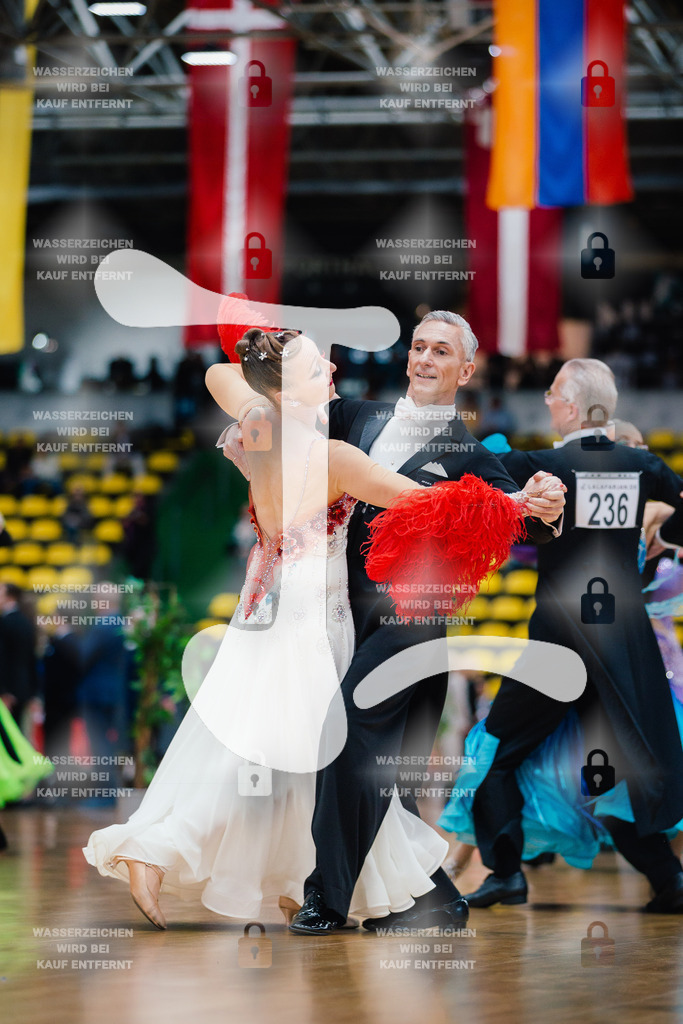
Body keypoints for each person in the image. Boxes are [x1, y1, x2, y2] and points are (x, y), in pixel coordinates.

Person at [83, 328, 527, 930]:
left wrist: (266, 393)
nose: (335, 370)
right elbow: (423, 502)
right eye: (321, 368)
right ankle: (156, 849)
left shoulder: (262, 429)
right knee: (294, 751)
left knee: (256, 748)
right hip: (314, 616)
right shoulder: (336, 456)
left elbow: (223, 376)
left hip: (259, 603)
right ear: (297, 389)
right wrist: (515, 504)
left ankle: (286, 875)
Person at [220, 311, 566, 934]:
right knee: (384, 772)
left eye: (442, 352)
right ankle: (429, 899)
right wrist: (250, 419)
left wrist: (548, 506)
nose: (425, 359)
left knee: (346, 729)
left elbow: (522, 516)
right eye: (419, 347)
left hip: (412, 619)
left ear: (465, 370)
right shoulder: (355, 415)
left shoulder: (468, 452)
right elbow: (276, 410)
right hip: (339, 611)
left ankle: (327, 895)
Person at [455, 359, 683, 912]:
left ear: (575, 406)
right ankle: (670, 880)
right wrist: (659, 534)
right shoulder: (643, 465)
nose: (550, 403)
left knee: (498, 752)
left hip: (560, 641)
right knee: (628, 764)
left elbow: (473, 469)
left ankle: (506, 872)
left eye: (555, 394)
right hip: (624, 645)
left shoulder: (543, 465)